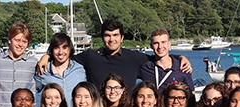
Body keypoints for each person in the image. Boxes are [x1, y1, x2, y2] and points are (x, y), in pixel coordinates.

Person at [36, 19, 191, 88]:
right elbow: (64, 55)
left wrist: (181, 57)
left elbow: (159, 56)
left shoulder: (134, 58)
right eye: (107, 35)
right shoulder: (91, 56)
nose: (111, 39)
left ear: (122, 38)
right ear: (102, 37)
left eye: (115, 35)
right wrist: (47, 56)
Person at [34, 32, 86, 107]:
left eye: (64, 47)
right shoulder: (43, 71)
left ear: (70, 49)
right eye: (56, 48)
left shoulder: (79, 70)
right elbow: (33, 92)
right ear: (52, 50)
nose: (60, 52)